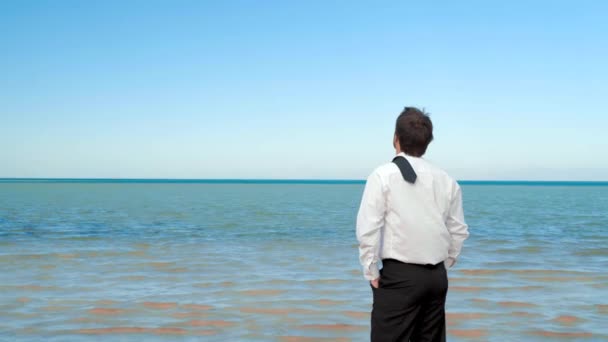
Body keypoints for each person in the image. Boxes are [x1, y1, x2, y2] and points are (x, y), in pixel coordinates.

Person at [356, 106, 469, 342]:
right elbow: (458, 231)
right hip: (436, 278)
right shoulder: (447, 180)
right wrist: (443, 264)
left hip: (400, 277)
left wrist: (370, 270)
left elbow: (368, 229)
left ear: (395, 139)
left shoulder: (383, 175)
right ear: (427, 143)